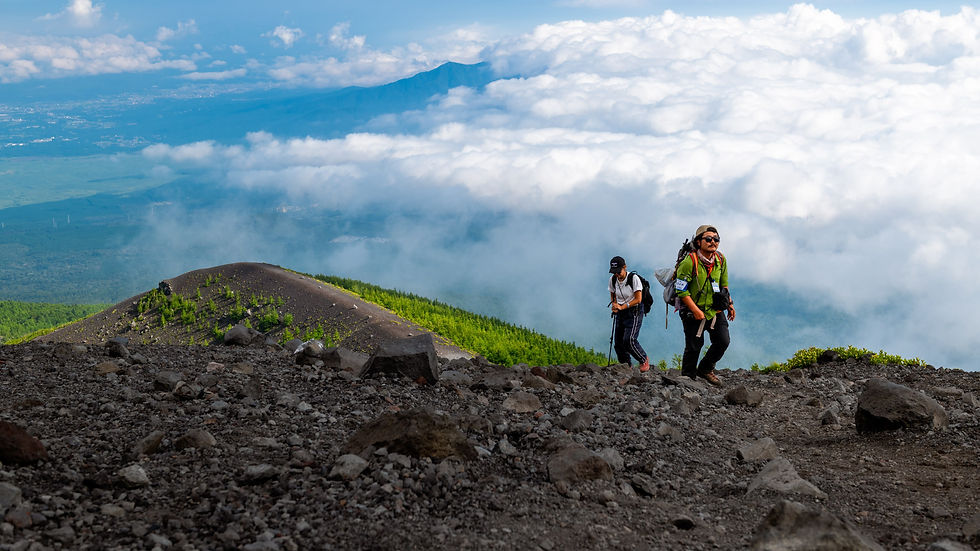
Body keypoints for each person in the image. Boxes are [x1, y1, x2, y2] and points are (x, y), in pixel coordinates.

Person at [674, 225, 735, 386]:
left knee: (723, 341)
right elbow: (681, 290)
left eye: (716, 239)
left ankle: (705, 369)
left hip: (714, 310)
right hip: (692, 311)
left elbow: (724, 285)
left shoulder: (720, 260)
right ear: (698, 242)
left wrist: (729, 304)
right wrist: (695, 310)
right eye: (708, 239)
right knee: (694, 347)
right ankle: (687, 380)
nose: (712, 242)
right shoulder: (689, 262)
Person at [608, 255, 650, 372]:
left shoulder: (633, 278)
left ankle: (643, 359)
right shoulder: (613, 280)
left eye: (619, 271)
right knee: (618, 343)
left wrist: (622, 306)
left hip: (634, 311)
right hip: (621, 311)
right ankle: (626, 366)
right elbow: (612, 294)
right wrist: (614, 305)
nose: (617, 274)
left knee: (629, 340)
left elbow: (638, 299)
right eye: (614, 272)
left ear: (625, 267)